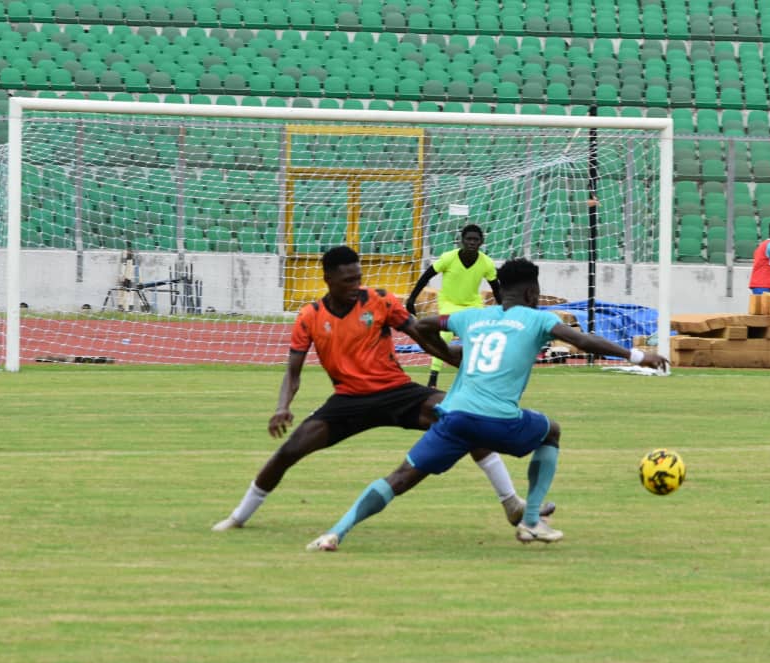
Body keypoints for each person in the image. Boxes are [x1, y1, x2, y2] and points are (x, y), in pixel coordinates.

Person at [306, 257, 668, 552]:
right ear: (531, 290)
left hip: (453, 417)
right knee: (551, 432)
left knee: (400, 477)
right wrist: (638, 355)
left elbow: (426, 323)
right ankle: (530, 522)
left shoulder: (472, 317)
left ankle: (335, 532)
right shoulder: (539, 317)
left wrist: (451, 354)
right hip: (497, 419)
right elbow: (582, 340)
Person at [211, 246, 552, 533]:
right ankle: (238, 517)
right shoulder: (309, 316)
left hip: (397, 391)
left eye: (358, 277)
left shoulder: (380, 301)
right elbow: (293, 371)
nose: (355, 285)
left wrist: (466, 362)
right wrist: (282, 406)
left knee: (461, 418)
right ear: (327, 279)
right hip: (348, 400)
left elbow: (422, 336)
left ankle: (512, 504)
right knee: (290, 451)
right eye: (348, 280)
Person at [405, 224, 501, 388]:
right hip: (449, 303)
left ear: (481, 242)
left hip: (472, 305)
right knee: (444, 336)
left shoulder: (486, 263)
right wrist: (411, 298)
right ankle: (433, 378)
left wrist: (505, 308)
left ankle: (476, 377)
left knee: (478, 337)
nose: (472, 242)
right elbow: (426, 276)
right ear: (462, 241)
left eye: (475, 240)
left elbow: (496, 288)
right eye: (468, 239)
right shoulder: (449, 258)